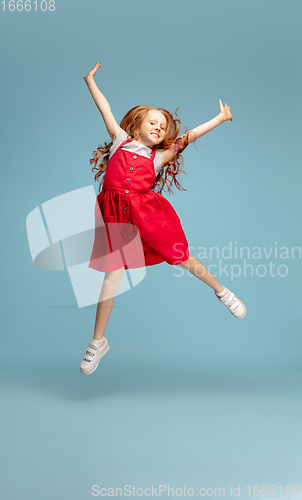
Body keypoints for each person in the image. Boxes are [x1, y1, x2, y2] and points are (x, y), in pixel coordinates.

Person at [80, 62, 246, 375]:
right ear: (136, 127)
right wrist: (90, 81)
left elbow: (189, 136)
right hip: (116, 218)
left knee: (180, 257)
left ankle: (222, 291)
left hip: (147, 215)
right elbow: (105, 108)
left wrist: (221, 118)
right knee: (110, 280)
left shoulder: (159, 157)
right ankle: (97, 342)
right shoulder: (119, 140)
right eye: (152, 122)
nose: (159, 128)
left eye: (163, 126)